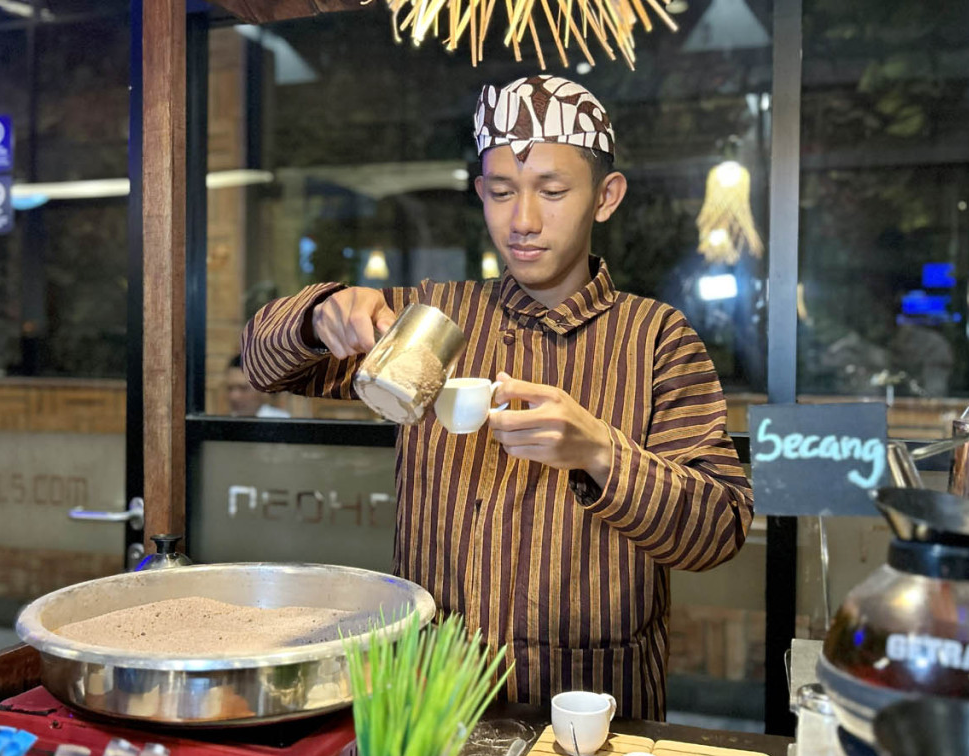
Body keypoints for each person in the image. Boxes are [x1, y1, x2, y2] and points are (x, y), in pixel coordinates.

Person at [242, 75, 753, 720]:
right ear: (482, 192)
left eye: (554, 191)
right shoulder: (433, 319)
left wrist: (601, 453)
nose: (524, 221)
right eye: (503, 192)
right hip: (431, 692)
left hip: (594, 702)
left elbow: (718, 531)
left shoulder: (655, 339)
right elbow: (264, 364)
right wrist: (320, 316)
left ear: (606, 196)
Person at [226, 354, 291, 418]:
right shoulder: (223, 424)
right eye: (230, 388)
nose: (234, 396)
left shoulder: (283, 423)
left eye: (244, 388)